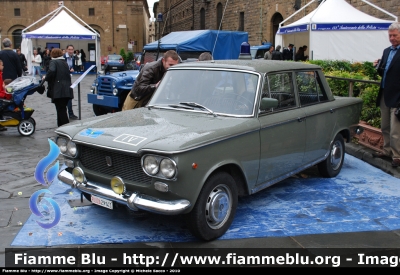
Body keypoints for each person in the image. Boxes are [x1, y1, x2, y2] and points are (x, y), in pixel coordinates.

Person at [373, 22, 400, 167]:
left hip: (397, 96)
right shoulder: (386, 51)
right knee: (385, 126)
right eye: (390, 35)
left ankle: (397, 156)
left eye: (395, 35)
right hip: (384, 93)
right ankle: (387, 150)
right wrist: (378, 66)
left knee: (396, 129)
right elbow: (383, 72)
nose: (392, 38)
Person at [43, 48, 74, 127]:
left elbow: (52, 71)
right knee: (62, 109)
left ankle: (65, 127)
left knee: (61, 110)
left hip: (58, 90)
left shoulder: (53, 62)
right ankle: (60, 126)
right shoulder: (64, 62)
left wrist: (46, 77)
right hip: (67, 89)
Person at [63, 44, 78, 119]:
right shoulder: (63, 58)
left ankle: (70, 114)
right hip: (62, 79)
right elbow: (61, 68)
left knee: (69, 96)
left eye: (72, 49)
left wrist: (72, 69)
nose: (71, 51)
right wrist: (68, 70)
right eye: (69, 49)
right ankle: (67, 114)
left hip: (68, 78)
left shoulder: (73, 58)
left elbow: (72, 67)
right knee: (66, 96)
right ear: (66, 50)